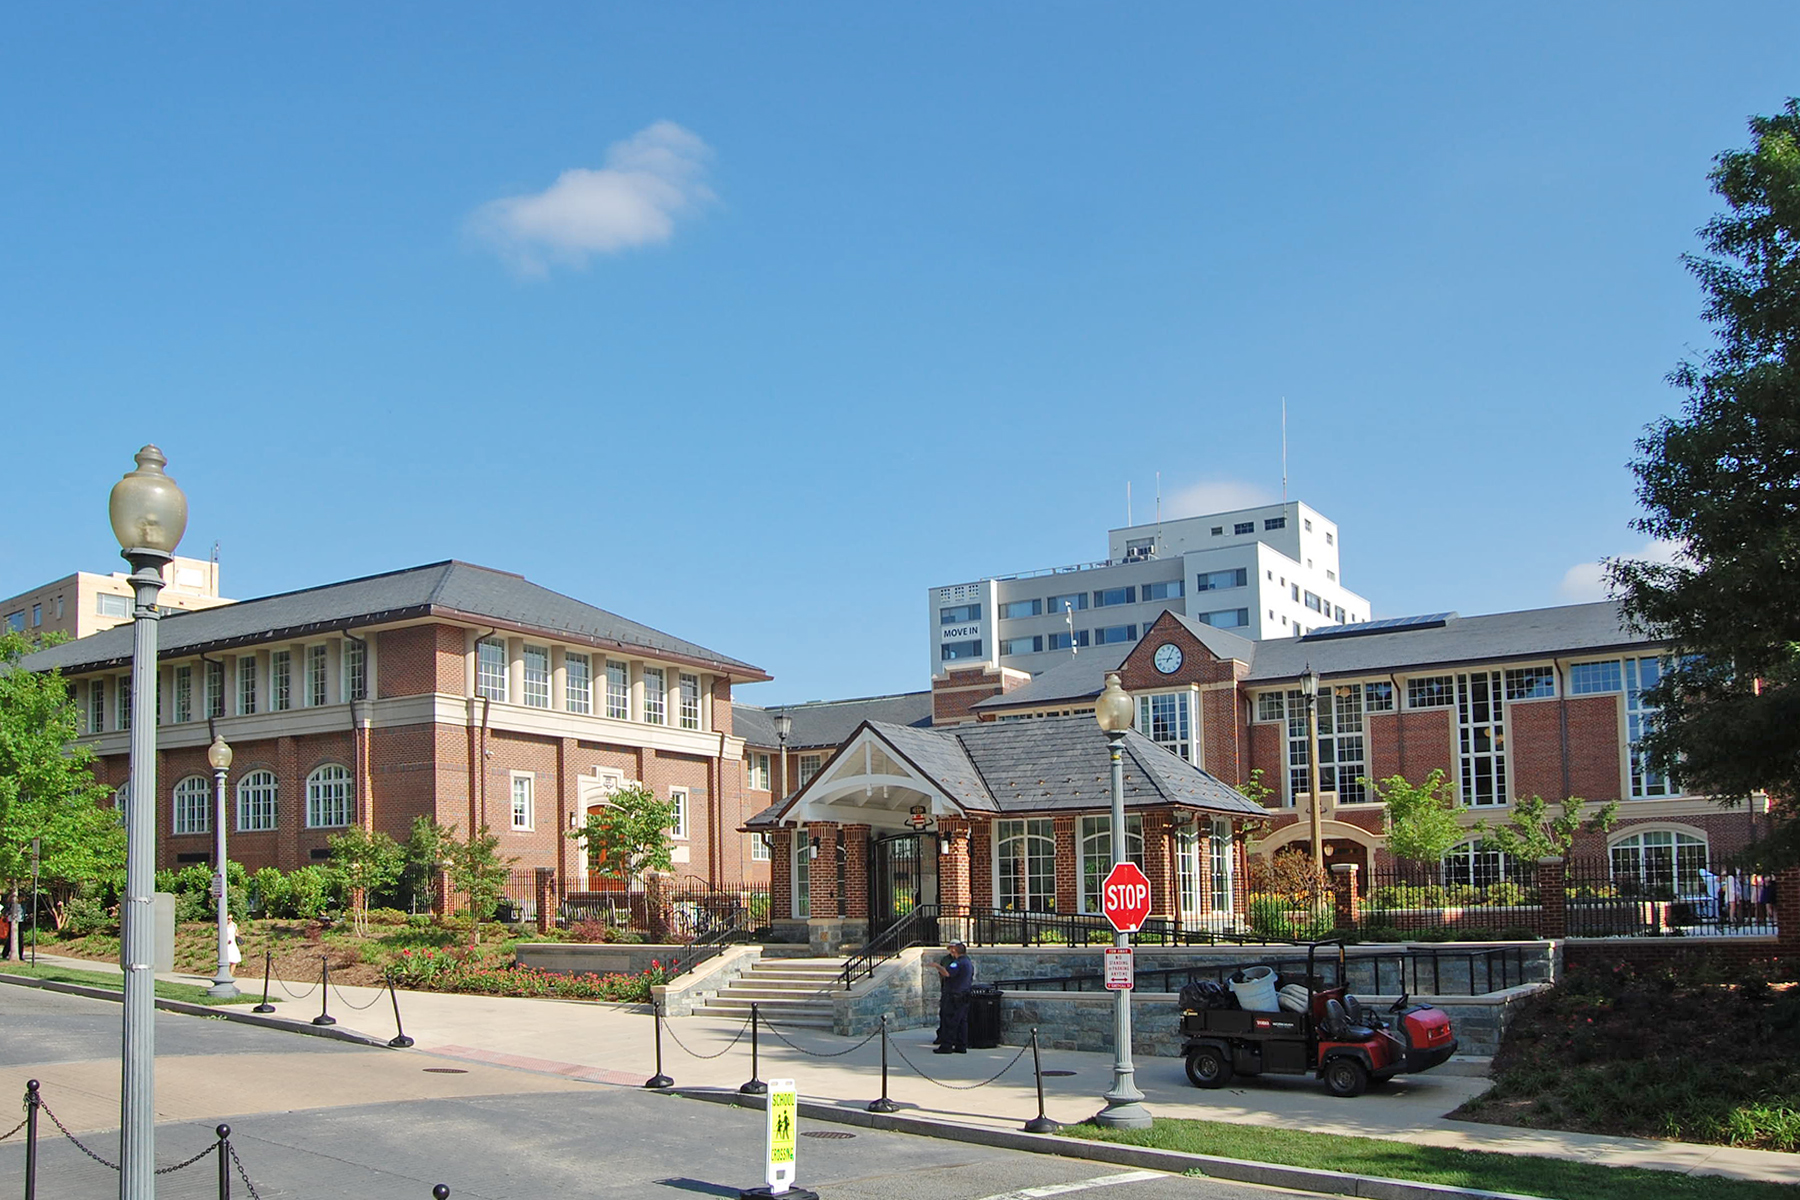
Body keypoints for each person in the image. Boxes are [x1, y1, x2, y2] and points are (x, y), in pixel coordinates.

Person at [932, 942, 974, 1054]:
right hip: (964, 995)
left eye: (952, 949)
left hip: (954, 996)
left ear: (955, 951)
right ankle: (961, 1045)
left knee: (949, 1021)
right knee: (962, 1021)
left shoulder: (957, 963)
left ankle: (946, 1046)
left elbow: (947, 973)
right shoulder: (968, 961)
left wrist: (937, 966)